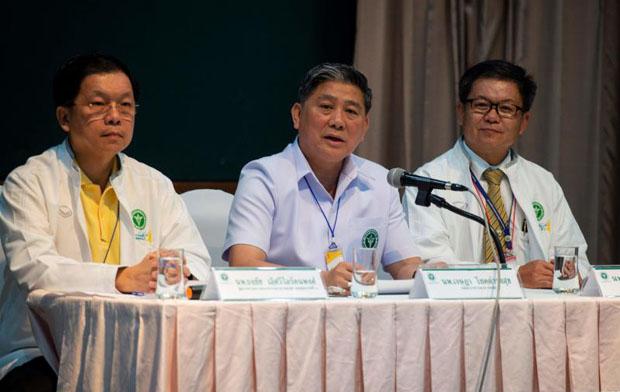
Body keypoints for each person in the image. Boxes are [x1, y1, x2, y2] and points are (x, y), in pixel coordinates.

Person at [0, 53, 211, 392]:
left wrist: (175, 272)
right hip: (44, 349)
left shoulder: (154, 184)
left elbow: (197, 262)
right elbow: (35, 270)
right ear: (65, 117)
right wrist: (121, 278)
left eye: (126, 106)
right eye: (98, 104)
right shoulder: (29, 182)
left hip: (137, 345)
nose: (115, 116)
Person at [224, 63, 420, 292]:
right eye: (326, 107)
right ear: (298, 115)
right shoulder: (264, 177)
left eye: (351, 112)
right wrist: (321, 281)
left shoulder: (380, 182)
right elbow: (243, 266)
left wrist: (426, 274)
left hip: (360, 319)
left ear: (365, 127)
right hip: (285, 317)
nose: (338, 121)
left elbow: (404, 264)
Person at [403, 59, 590, 289]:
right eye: (481, 105)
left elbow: (579, 261)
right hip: (459, 317)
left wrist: (565, 273)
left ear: (524, 122)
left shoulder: (543, 183)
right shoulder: (427, 181)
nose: (492, 116)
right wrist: (514, 278)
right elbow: (433, 270)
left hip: (535, 317)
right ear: (461, 112)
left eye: (506, 108)